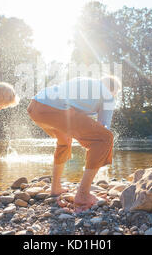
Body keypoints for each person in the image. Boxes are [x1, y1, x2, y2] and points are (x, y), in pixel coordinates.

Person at [27, 75, 121, 212]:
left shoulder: (85, 81)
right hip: (55, 109)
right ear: (114, 91)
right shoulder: (108, 96)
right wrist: (98, 154)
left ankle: (55, 187)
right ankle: (83, 194)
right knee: (105, 139)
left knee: (64, 141)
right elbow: (103, 128)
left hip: (35, 106)